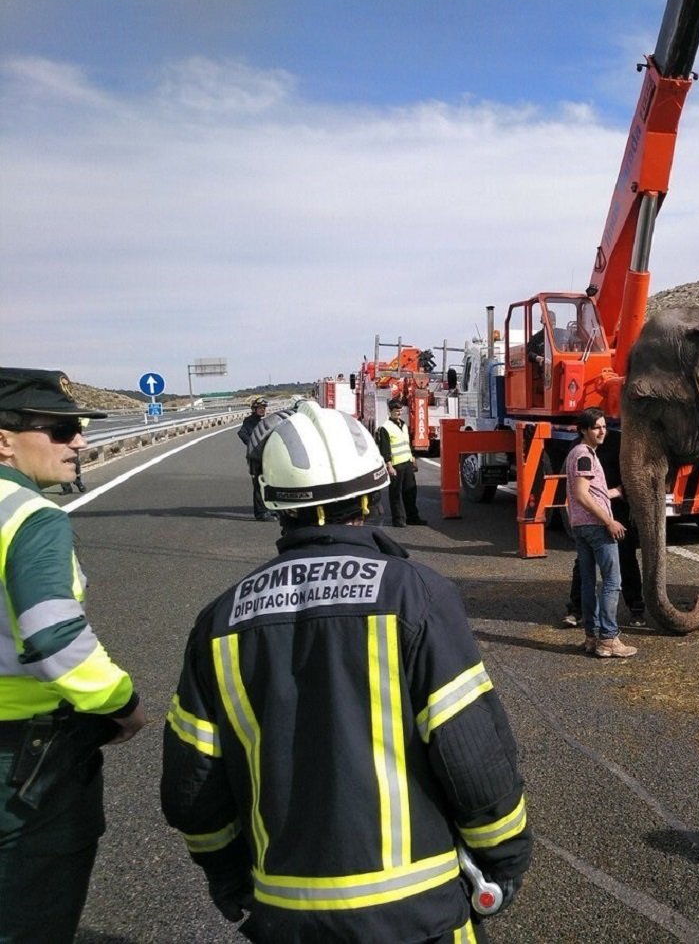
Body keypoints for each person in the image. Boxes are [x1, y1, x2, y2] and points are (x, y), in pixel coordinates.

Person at [161, 402, 531, 941]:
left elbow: (191, 786)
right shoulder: (415, 595)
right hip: (418, 913)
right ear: (370, 495)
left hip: (286, 916)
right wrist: (505, 858)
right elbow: (472, 753)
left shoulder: (219, 621)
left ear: (274, 502)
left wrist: (229, 877)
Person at [0, 367, 149, 943]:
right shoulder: (28, 517)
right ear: (3, 439)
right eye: (61, 430)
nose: (81, 442)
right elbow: (52, 637)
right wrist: (123, 706)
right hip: (24, 757)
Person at [566, 407, 636, 658]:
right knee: (611, 582)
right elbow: (582, 494)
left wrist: (617, 491)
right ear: (584, 430)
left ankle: (592, 636)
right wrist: (609, 522)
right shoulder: (585, 456)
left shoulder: (577, 453)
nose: (602, 431)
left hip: (581, 526)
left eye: (604, 426)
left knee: (588, 581)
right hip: (596, 527)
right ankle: (609, 638)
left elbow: (592, 492)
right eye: (596, 427)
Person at [376, 397, 425, 527]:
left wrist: (412, 458)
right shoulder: (385, 428)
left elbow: (407, 444)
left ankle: (412, 517)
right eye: (396, 410)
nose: (399, 412)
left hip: (407, 463)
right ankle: (398, 519)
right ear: (390, 411)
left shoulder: (403, 424)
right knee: (396, 494)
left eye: (400, 410)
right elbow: (384, 449)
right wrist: (389, 466)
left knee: (410, 491)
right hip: (396, 465)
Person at [237, 397, 270, 520]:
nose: (262, 410)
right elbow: (242, 433)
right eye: (260, 408)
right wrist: (252, 444)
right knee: (258, 484)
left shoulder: (265, 421)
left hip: (266, 456)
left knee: (268, 483)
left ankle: (269, 509)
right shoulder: (250, 421)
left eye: (263, 408)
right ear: (254, 409)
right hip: (255, 457)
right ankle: (261, 513)